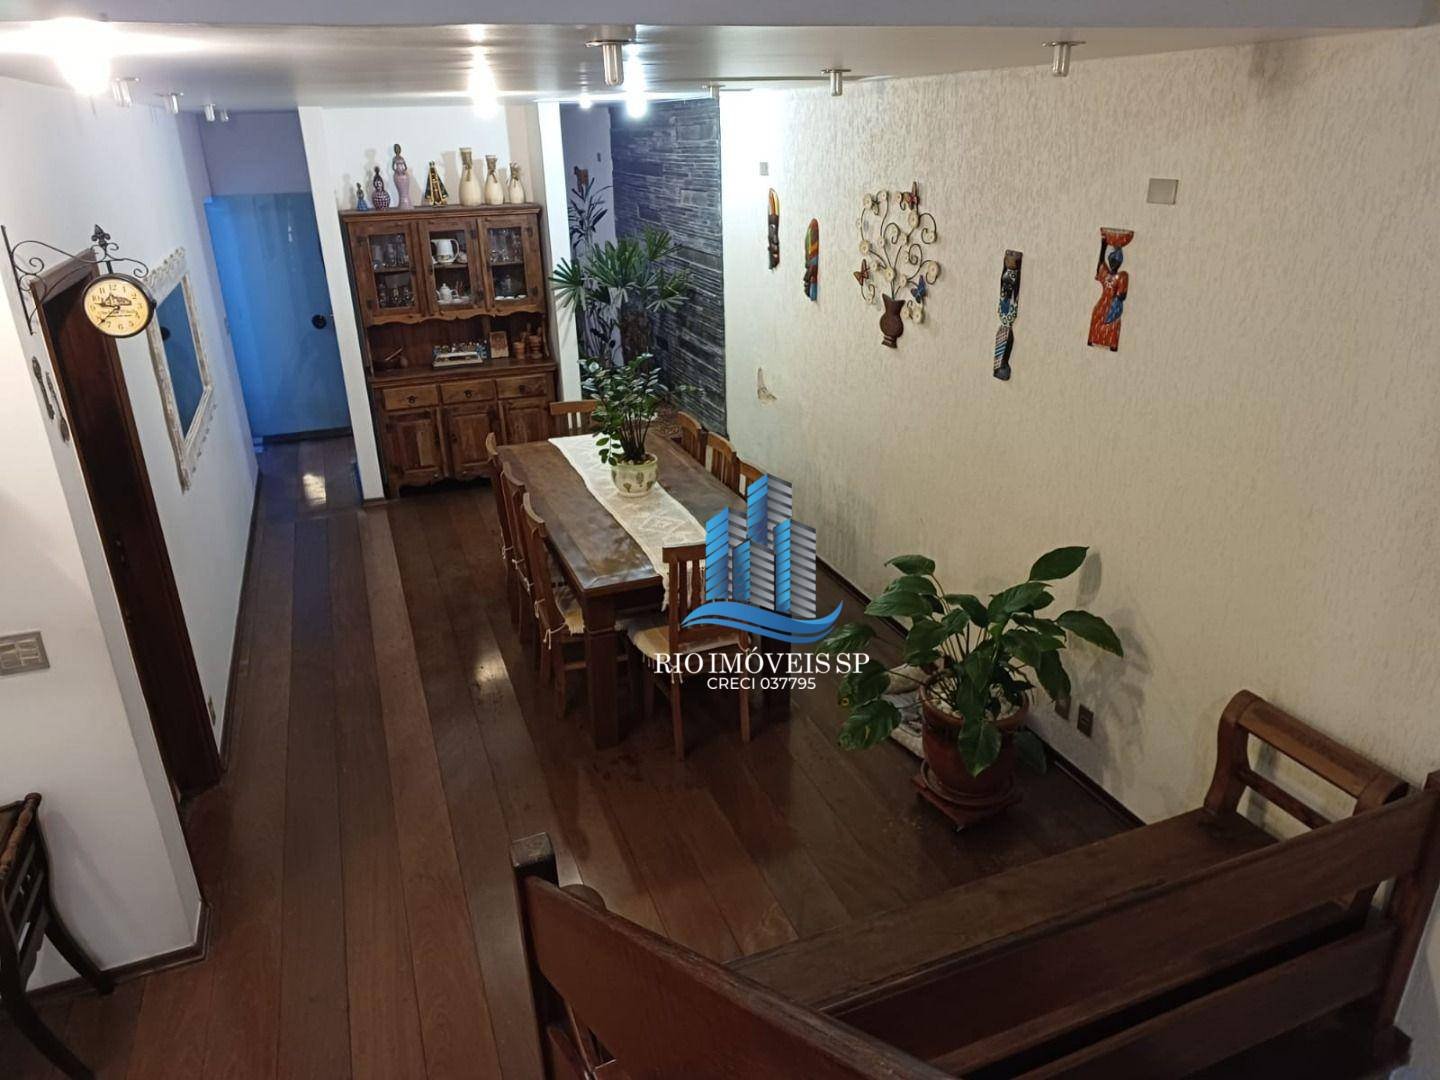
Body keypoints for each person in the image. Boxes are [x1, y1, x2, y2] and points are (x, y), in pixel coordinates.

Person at [1088, 232, 1131, 351]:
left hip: (1109, 305)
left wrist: (1104, 245)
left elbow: (1122, 296)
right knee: (1098, 317)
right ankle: (1094, 339)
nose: (1113, 263)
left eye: (1115, 261)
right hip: (1104, 304)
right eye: (1112, 260)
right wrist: (1103, 245)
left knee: (1111, 323)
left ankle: (1108, 343)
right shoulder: (1109, 274)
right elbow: (1100, 264)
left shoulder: (1121, 276)